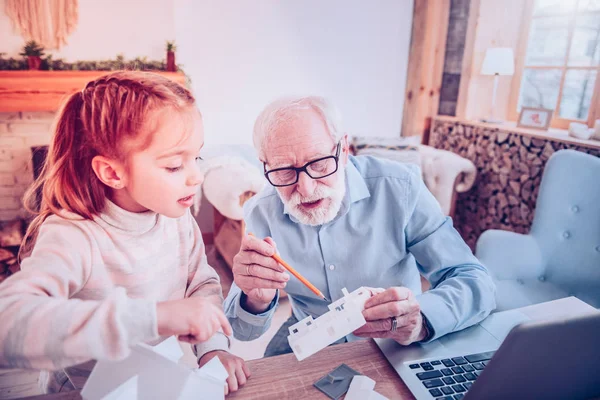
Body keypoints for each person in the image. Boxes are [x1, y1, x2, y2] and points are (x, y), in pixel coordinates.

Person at [0, 71, 249, 394]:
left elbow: (199, 283)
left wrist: (214, 347)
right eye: (174, 165)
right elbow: (9, 326)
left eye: (196, 157)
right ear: (112, 172)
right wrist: (152, 317)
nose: (196, 176)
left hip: (155, 382)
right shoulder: (74, 235)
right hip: (81, 391)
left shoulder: (175, 215)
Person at [224, 96, 496, 356]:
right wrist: (255, 300)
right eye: (284, 170)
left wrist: (421, 318)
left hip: (395, 335)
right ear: (265, 166)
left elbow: (475, 281)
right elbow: (241, 332)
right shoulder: (261, 210)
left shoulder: (401, 188)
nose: (305, 188)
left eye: (319, 163)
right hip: (311, 329)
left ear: (344, 150)